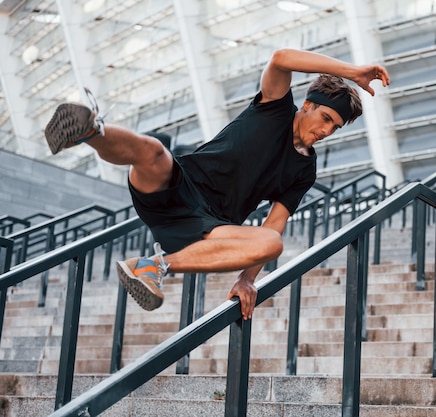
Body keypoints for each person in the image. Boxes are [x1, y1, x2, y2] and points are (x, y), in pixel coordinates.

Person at [44, 48, 390, 320]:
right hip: (177, 183)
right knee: (152, 150)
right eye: (326, 118)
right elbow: (281, 58)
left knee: (271, 243)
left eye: (336, 127)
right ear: (308, 105)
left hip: (210, 227)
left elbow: (275, 223)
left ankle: (153, 267)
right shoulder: (275, 108)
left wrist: (247, 279)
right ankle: (89, 130)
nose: (327, 131)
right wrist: (352, 72)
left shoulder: (304, 170)